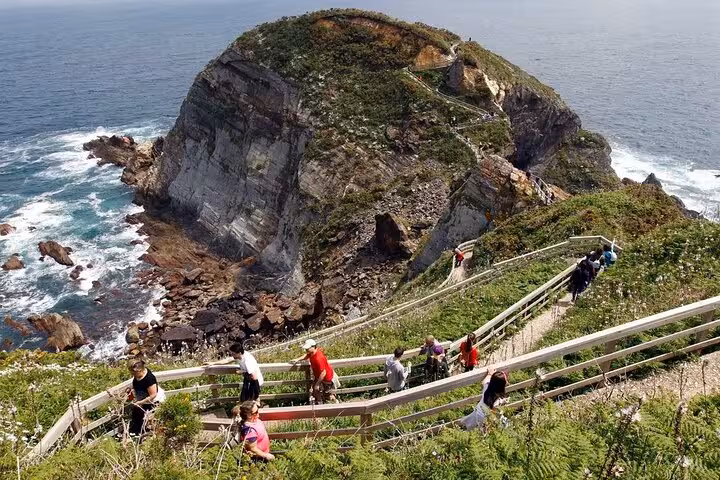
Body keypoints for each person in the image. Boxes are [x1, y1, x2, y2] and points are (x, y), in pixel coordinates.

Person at [126, 359, 165, 436]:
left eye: (133, 372)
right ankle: (137, 432)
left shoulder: (149, 379)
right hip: (143, 398)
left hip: (154, 401)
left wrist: (141, 402)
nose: (132, 374)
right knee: (136, 414)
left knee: (147, 419)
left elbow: (153, 394)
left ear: (139, 370)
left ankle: (144, 433)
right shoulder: (137, 376)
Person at [295, 339, 338, 404]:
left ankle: (335, 403)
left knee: (327, 394)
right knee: (316, 391)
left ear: (313, 347)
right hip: (319, 377)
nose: (306, 350)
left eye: (307, 348)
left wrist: (317, 384)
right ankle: (320, 404)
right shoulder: (313, 353)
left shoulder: (318, 358)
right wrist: (297, 359)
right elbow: (307, 355)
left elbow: (323, 372)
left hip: (326, 378)